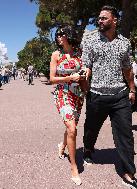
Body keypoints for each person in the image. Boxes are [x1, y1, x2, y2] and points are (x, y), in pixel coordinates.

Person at [81, 6, 137, 189]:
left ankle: (128, 172)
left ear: (114, 20)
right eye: (99, 18)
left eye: (104, 18)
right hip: (97, 95)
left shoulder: (124, 43)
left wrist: (132, 89)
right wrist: (85, 78)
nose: (99, 21)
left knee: (125, 134)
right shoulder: (91, 41)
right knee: (91, 129)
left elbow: (127, 69)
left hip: (119, 96)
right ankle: (88, 148)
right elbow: (87, 65)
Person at [49, 25, 85, 186]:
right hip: (62, 94)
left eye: (61, 34)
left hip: (78, 95)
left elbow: (84, 73)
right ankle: (73, 166)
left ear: (68, 35)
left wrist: (84, 76)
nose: (58, 37)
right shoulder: (56, 55)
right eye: (57, 34)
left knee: (71, 128)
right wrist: (69, 78)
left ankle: (62, 145)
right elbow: (52, 79)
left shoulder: (79, 53)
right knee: (72, 129)